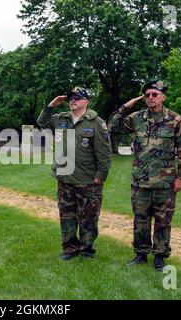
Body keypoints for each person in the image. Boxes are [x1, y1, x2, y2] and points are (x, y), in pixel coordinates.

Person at [109, 80, 181, 271]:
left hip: (165, 182)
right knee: (140, 220)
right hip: (140, 182)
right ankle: (140, 254)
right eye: (147, 95)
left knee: (163, 221)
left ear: (163, 97)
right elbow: (113, 126)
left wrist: (180, 177)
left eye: (155, 94)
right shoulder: (136, 118)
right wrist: (126, 105)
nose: (151, 98)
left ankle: (160, 257)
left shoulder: (175, 120)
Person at [37, 86, 112, 260]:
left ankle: (87, 249)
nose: (73, 100)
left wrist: (101, 176)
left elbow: (104, 153)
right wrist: (51, 105)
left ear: (86, 102)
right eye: (71, 98)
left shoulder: (96, 122)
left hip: (87, 179)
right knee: (67, 216)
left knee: (88, 217)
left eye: (77, 98)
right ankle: (70, 248)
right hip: (65, 177)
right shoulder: (60, 119)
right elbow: (41, 122)